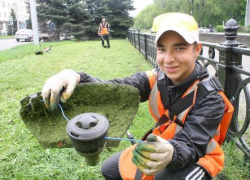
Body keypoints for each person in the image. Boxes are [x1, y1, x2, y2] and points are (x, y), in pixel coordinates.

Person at [42, 13, 233, 180]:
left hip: (199, 158)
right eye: (162, 49)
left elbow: (192, 145)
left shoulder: (211, 97)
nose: (168, 59)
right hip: (161, 145)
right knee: (109, 170)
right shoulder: (156, 78)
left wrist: (171, 154)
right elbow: (114, 90)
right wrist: (76, 76)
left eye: (179, 48)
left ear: (197, 49)